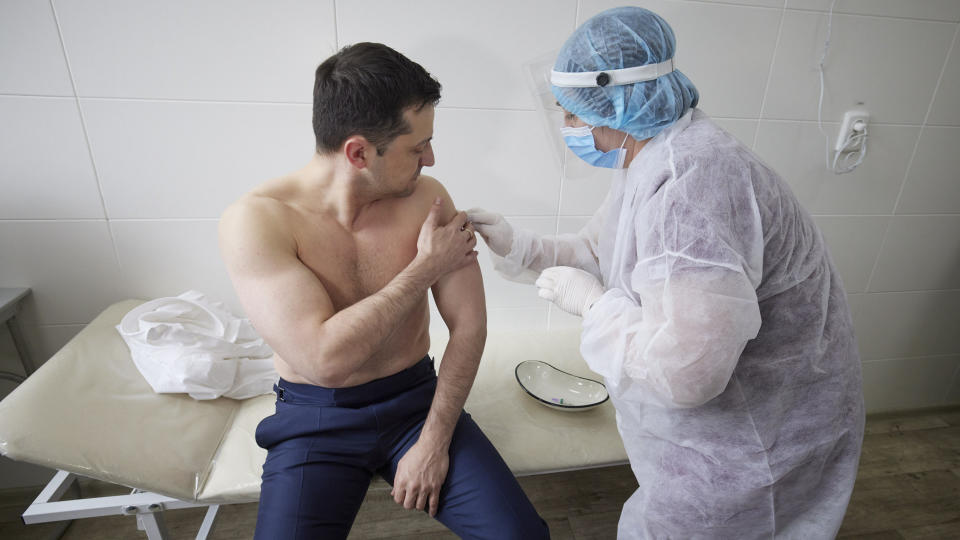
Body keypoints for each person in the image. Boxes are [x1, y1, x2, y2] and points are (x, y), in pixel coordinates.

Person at [469, 7, 864, 539]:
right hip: (728, 432)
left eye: (572, 113)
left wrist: (594, 306)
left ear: (618, 100)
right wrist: (517, 246)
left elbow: (688, 372)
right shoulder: (655, 156)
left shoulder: (694, 185)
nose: (567, 128)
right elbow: (601, 248)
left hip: (755, 443)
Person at [219, 42, 549, 540]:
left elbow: (470, 324)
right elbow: (325, 360)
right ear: (358, 152)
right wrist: (424, 268)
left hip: (416, 403)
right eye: (417, 147)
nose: (432, 159)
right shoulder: (258, 221)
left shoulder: (429, 200)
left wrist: (435, 441)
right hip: (315, 416)